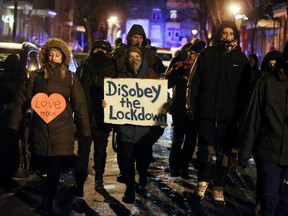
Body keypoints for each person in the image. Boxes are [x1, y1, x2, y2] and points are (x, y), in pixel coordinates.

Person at [8, 38, 91, 215]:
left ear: (63, 58)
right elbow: (21, 100)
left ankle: (47, 204)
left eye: (57, 55)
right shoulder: (37, 76)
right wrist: (14, 125)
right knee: (44, 170)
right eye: (51, 55)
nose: (54, 58)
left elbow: (80, 105)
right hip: (40, 131)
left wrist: (85, 130)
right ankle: (48, 194)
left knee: (54, 171)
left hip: (61, 132)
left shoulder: (70, 78)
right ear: (45, 57)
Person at [186, 21, 251, 205]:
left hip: (229, 117)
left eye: (231, 33)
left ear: (235, 35)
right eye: (224, 33)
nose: (227, 36)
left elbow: (246, 93)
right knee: (206, 150)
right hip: (206, 113)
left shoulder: (242, 59)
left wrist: (242, 118)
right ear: (219, 34)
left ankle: (218, 187)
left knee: (224, 154)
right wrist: (192, 108)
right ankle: (202, 181)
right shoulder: (206, 55)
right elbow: (194, 83)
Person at [103, 45, 162, 203]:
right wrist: (107, 104)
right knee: (126, 160)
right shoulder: (120, 77)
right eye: (130, 56)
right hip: (126, 129)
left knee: (144, 159)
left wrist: (165, 103)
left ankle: (142, 174)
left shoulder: (151, 75)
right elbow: (113, 98)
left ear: (142, 59)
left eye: (137, 56)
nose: (133, 59)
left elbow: (162, 97)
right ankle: (129, 188)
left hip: (145, 131)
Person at [110, 24, 166, 181]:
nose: (138, 40)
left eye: (141, 37)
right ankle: (128, 179)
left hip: (144, 119)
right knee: (125, 150)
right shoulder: (119, 54)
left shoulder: (150, 57)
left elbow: (158, 81)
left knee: (144, 150)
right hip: (126, 116)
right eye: (135, 37)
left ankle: (142, 172)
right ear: (129, 38)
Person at [238, 44, 288, 216]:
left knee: (284, 204)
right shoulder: (267, 82)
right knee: (269, 201)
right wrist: (244, 153)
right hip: (269, 152)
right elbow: (253, 118)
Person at [76, 40, 117, 191]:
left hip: (102, 118)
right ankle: (79, 182)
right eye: (96, 49)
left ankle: (99, 177)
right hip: (84, 116)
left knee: (100, 151)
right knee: (83, 152)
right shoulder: (83, 68)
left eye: (102, 49)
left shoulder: (113, 68)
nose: (99, 52)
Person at [165, 40, 206, 178]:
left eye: (193, 54)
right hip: (179, 109)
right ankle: (174, 166)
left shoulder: (203, 69)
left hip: (195, 111)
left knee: (190, 141)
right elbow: (167, 83)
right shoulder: (179, 66)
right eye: (189, 53)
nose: (189, 57)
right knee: (178, 139)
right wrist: (174, 72)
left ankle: (184, 166)